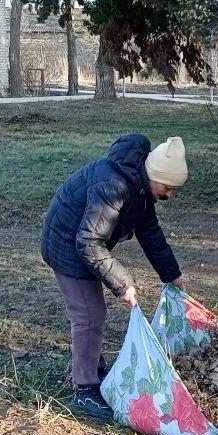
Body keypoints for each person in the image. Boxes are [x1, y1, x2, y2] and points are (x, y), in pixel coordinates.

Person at [41, 134, 189, 419]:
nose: (169, 194)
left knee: (93, 313)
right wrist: (123, 284)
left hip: (84, 243)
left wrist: (172, 275)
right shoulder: (113, 186)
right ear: (155, 174)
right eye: (168, 187)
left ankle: (93, 370)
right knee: (89, 314)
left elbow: (151, 235)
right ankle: (85, 390)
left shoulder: (141, 189)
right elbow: (88, 242)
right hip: (67, 244)